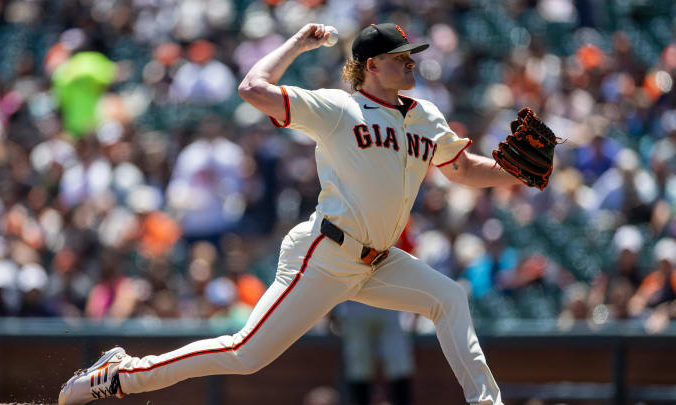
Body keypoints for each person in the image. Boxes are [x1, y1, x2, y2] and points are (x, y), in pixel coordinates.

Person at [58, 23, 521, 405]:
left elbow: (460, 169)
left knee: (449, 297)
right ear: (371, 65)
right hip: (325, 254)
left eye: (411, 54)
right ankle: (120, 375)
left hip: (379, 260)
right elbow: (252, 88)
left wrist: (516, 173)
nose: (411, 62)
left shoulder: (426, 116)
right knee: (244, 352)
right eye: (400, 56)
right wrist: (298, 43)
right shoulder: (339, 107)